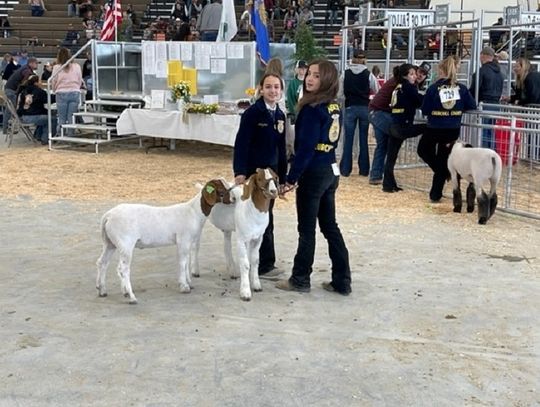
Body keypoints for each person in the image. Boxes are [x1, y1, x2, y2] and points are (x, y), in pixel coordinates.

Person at [275, 59, 351, 296]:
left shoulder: (311, 109)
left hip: (314, 172)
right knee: (330, 227)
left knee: (306, 230)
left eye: (317, 75)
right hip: (330, 169)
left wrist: (290, 178)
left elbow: (305, 148)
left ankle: (300, 278)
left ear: (327, 79)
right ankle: (342, 280)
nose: (309, 78)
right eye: (309, 74)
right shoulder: (333, 106)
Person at [233, 73, 287, 277]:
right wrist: (239, 171)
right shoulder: (252, 114)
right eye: (269, 87)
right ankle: (258, 262)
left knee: (267, 215)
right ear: (261, 89)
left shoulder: (280, 114)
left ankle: (265, 262)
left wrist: (283, 176)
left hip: (271, 175)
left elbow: (281, 149)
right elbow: (242, 144)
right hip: (254, 174)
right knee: (251, 214)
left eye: (276, 87)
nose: (273, 91)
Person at [418, 56, 476, 203]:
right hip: (452, 128)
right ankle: (436, 191)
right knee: (443, 158)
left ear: (440, 70)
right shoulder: (461, 89)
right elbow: (471, 105)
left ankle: (441, 175)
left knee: (423, 150)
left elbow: (425, 109)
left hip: (435, 127)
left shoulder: (433, 89)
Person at [383, 63, 424, 193]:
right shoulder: (408, 87)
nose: (414, 77)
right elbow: (418, 100)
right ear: (405, 76)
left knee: (391, 156)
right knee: (427, 128)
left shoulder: (398, 86)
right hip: (403, 124)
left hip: (395, 123)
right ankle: (389, 184)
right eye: (412, 74)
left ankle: (388, 184)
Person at [338, 49, 379, 177]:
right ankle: (364, 170)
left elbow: (339, 93)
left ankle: (345, 170)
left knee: (348, 139)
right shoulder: (369, 74)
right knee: (363, 140)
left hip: (350, 107)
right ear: (364, 59)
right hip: (364, 107)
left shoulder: (345, 74)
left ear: (353, 58)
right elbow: (377, 90)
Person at [368, 66, 399, 185]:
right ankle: (386, 176)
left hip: (376, 111)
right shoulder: (398, 85)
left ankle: (376, 175)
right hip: (380, 113)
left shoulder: (392, 82)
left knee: (382, 145)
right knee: (390, 143)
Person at [469, 46, 504, 150]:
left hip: (484, 104)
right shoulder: (500, 73)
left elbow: (474, 89)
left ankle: (485, 155)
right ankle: (493, 153)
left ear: (483, 56)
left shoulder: (481, 71)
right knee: (491, 130)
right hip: (496, 105)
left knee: (483, 131)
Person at [51, 47, 83, 137]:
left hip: (61, 92)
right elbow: (80, 79)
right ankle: (70, 135)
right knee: (71, 117)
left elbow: (54, 81)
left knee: (61, 117)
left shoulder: (57, 67)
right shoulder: (77, 66)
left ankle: (60, 135)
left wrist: (54, 90)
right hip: (74, 92)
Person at [3, 56, 38, 134]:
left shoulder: (25, 68)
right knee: (10, 110)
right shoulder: (26, 70)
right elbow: (26, 77)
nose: (37, 65)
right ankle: (6, 129)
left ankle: (8, 128)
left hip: (10, 89)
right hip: (11, 90)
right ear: (31, 63)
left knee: (11, 110)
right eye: (36, 63)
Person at [17, 75, 56, 144]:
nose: (41, 83)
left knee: (44, 116)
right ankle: (46, 139)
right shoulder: (39, 91)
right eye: (40, 81)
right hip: (32, 116)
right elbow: (49, 99)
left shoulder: (23, 90)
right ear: (36, 83)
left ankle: (38, 136)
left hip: (23, 116)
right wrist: (58, 96)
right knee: (52, 119)